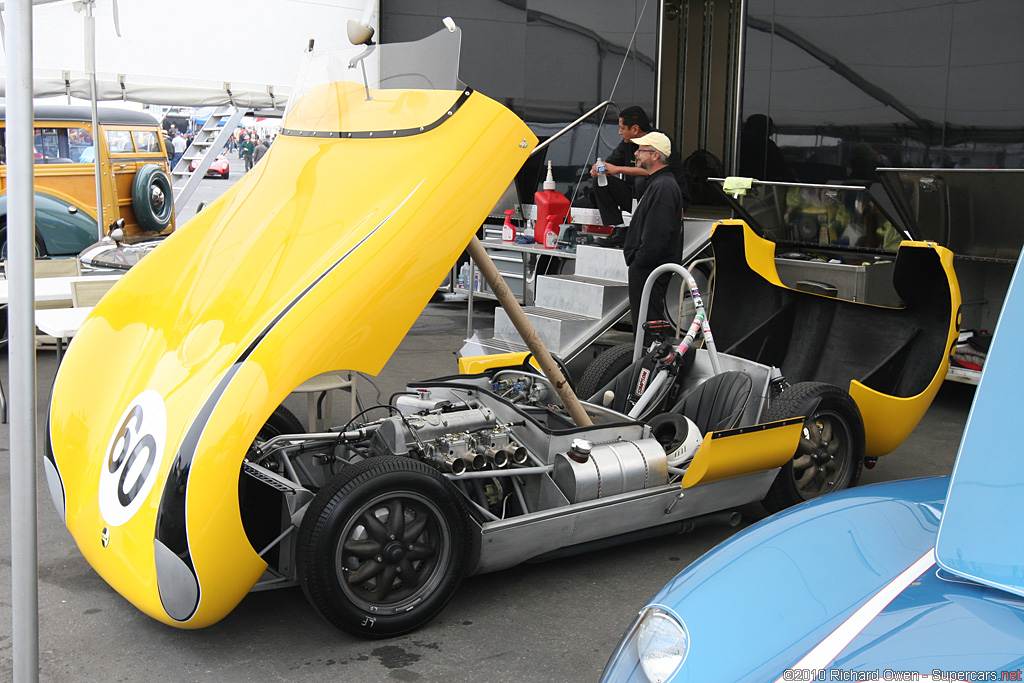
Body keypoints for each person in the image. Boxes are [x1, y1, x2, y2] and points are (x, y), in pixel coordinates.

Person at [622, 131, 683, 344]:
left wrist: (640, 261)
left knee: (649, 326)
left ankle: (650, 368)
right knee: (645, 323)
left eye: (641, 150)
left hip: (650, 268)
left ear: (656, 155)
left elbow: (658, 233)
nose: (636, 154)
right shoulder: (659, 183)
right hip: (648, 267)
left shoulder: (664, 186)